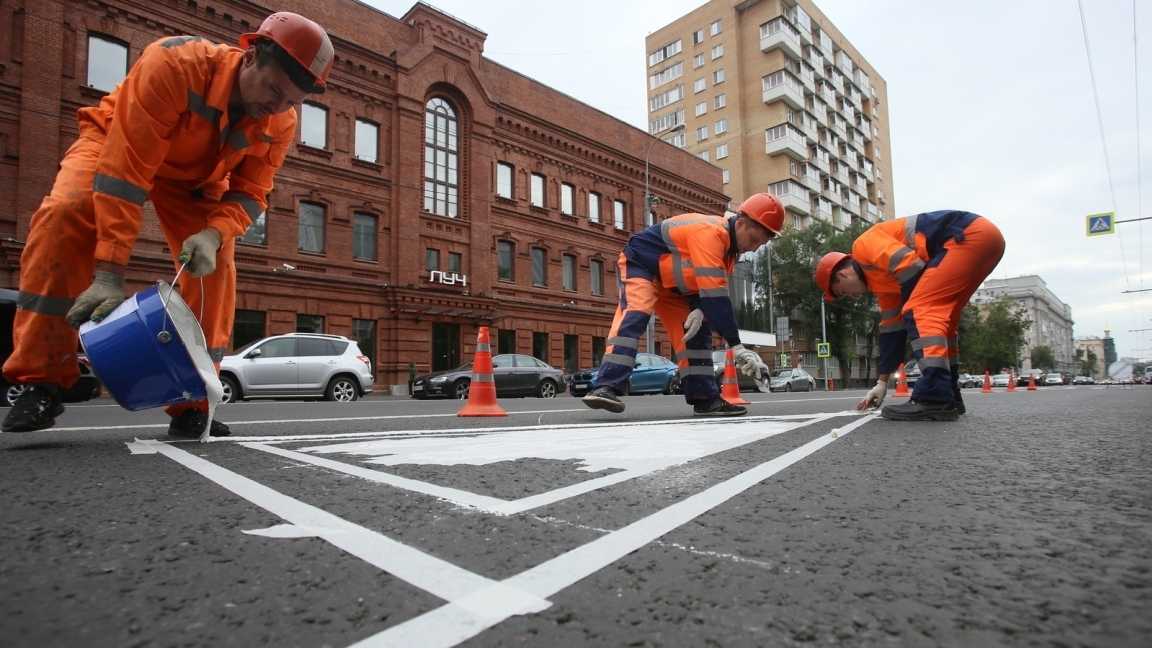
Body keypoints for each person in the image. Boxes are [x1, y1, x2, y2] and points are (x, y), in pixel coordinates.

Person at [1, 13, 333, 435]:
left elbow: (251, 193)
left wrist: (214, 235)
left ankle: (194, 400)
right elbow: (125, 170)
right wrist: (109, 272)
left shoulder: (279, 121)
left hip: (197, 179)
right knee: (64, 218)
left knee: (216, 271)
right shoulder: (175, 64)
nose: (278, 106)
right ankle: (41, 381)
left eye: (291, 101)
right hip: (116, 142)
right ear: (250, 58)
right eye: (274, 90)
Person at [582, 193, 784, 417]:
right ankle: (605, 386)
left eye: (761, 245)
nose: (755, 248)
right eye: (755, 240)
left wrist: (699, 309)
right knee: (636, 313)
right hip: (641, 265)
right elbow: (717, 295)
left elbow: (705, 290)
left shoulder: (730, 255)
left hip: (674, 289)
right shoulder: (711, 233)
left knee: (697, 333)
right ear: (742, 223)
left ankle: (705, 399)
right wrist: (736, 345)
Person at [814, 210, 1005, 421]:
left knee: (921, 309)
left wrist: (913, 310)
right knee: (944, 322)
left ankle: (935, 397)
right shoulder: (883, 286)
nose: (850, 296)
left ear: (842, 274)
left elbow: (912, 266)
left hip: (967, 236)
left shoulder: (863, 246)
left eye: (842, 291)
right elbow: (891, 331)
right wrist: (882, 383)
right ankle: (950, 395)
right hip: (983, 240)